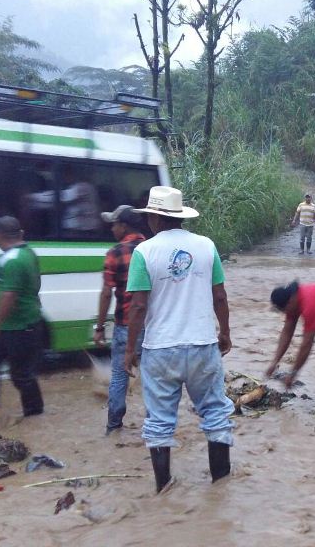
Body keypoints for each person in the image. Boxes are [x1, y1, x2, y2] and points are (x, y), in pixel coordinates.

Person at [125, 186, 234, 492]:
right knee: (215, 412)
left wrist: (129, 349)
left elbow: (138, 306)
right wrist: (224, 332)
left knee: (159, 421)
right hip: (202, 345)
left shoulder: (143, 252)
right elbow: (220, 296)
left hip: (160, 349)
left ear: (155, 219)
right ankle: (220, 484)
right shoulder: (206, 246)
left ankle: (164, 486)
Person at [0, 216, 44, 418]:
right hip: (24, 324)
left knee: (18, 374)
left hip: (16, 327)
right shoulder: (29, 253)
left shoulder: (11, 260)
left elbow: (8, 296)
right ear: (20, 234)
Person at [94, 205, 146, 435]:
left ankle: (114, 426)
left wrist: (99, 327)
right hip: (154, 327)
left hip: (126, 325)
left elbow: (107, 293)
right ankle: (157, 426)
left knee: (119, 375)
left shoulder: (115, 253)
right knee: (154, 377)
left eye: (114, 224)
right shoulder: (152, 249)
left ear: (123, 226)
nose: (112, 228)